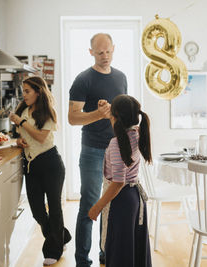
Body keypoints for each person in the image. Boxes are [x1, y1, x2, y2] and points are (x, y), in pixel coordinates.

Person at [68, 33, 127, 267]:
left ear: (114, 48)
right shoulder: (83, 80)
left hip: (115, 149)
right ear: (91, 52)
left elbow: (120, 114)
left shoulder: (121, 77)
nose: (105, 56)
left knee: (109, 204)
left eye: (108, 51)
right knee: (90, 203)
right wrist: (97, 114)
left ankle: (106, 252)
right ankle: (82, 260)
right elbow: (73, 118)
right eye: (100, 52)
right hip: (92, 150)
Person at [9, 76, 71, 266]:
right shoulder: (23, 110)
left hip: (51, 163)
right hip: (31, 166)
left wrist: (21, 122)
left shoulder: (48, 112)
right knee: (37, 210)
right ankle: (61, 236)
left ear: (38, 92)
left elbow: (41, 138)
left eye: (27, 91)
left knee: (54, 208)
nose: (24, 95)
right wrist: (19, 141)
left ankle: (53, 250)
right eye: (23, 91)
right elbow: (20, 137)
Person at [88, 94, 152, 267]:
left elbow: (118, 182)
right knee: (133, 250)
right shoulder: (137, 133)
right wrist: (108, 108)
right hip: (135, 199)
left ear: (115, 117)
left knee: (119, 253)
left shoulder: (117, 143)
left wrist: (97, 207)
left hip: (121, 201)